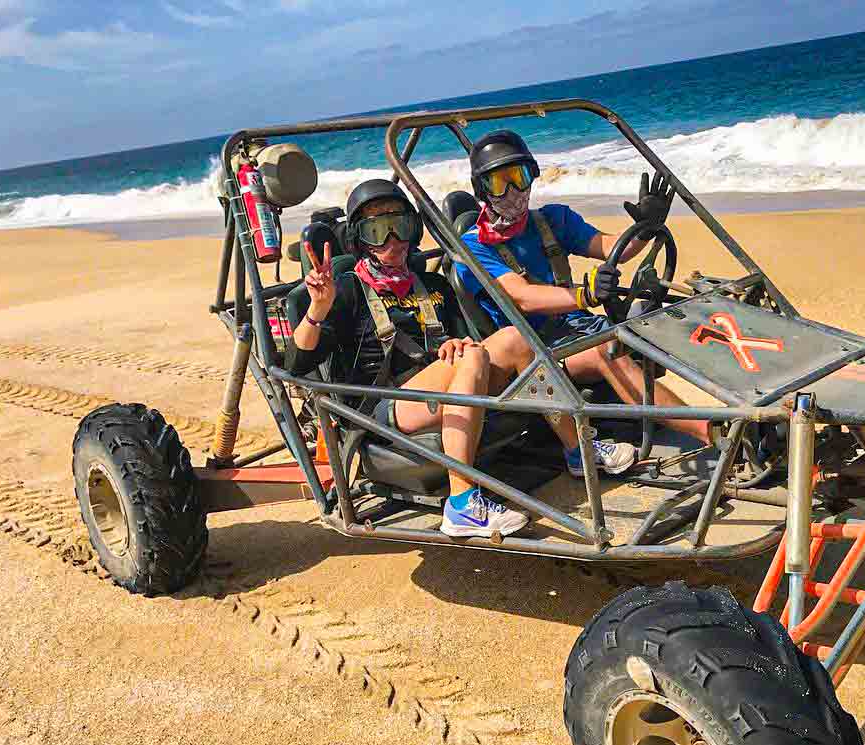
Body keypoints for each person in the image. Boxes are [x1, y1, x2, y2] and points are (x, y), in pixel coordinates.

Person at [454, 130, 713, 480]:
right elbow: (523, 296)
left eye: (519, 177)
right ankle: (713, 433)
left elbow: (612, 248)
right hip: (534, 356)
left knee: (670, 315)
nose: (513, 192)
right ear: (482, 189)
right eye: (500, 182)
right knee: (605, 350)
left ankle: (760, 397)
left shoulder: (552, 219)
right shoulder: (474, 249)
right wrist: (584, 294)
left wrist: (646, 226)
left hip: (577, 329)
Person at [286, 178, 528, 539]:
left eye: (399, 227)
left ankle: (575, 451)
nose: (392, 241)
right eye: (377, 230)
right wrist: (319, 308)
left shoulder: (434, 287)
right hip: (378, 411)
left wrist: (456, 345)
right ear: (360, 239)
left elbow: (470, 341)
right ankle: (462, 504)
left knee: (513, 339)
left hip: (438, 388)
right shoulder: (349, 291)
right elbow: (296, 364)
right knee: (472, 359)